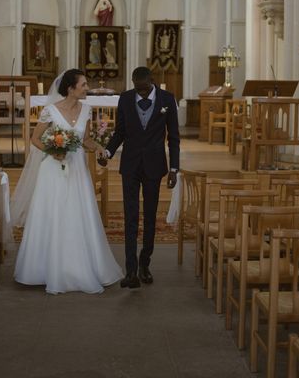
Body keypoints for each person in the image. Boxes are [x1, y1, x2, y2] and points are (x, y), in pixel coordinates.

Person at [11, 69, 122, 294]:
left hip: (77, 169)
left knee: (77, 214)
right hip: (53, 170)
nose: (87, 88)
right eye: (83, 85)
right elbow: (35, 139)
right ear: (71, 88)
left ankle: (79, 266)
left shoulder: (86, 110)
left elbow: (86, 140)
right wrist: (53, 151)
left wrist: (100, 148)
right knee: (53, 213)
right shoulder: (50, 111)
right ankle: (44, 268)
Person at [99, 66, 180, 288]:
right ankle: (131, 271)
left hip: (155, 166)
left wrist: (174, 169)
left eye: (144, 90)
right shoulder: (125, 99)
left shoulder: (167, 99)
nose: (141, 94)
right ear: (133, 83)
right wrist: (107, 152)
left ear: (151, 82)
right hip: (131, 166)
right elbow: (120, 132)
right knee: (130, 217)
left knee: (150, 217)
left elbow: (173, 137)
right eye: (138, 89)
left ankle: (145, 264)